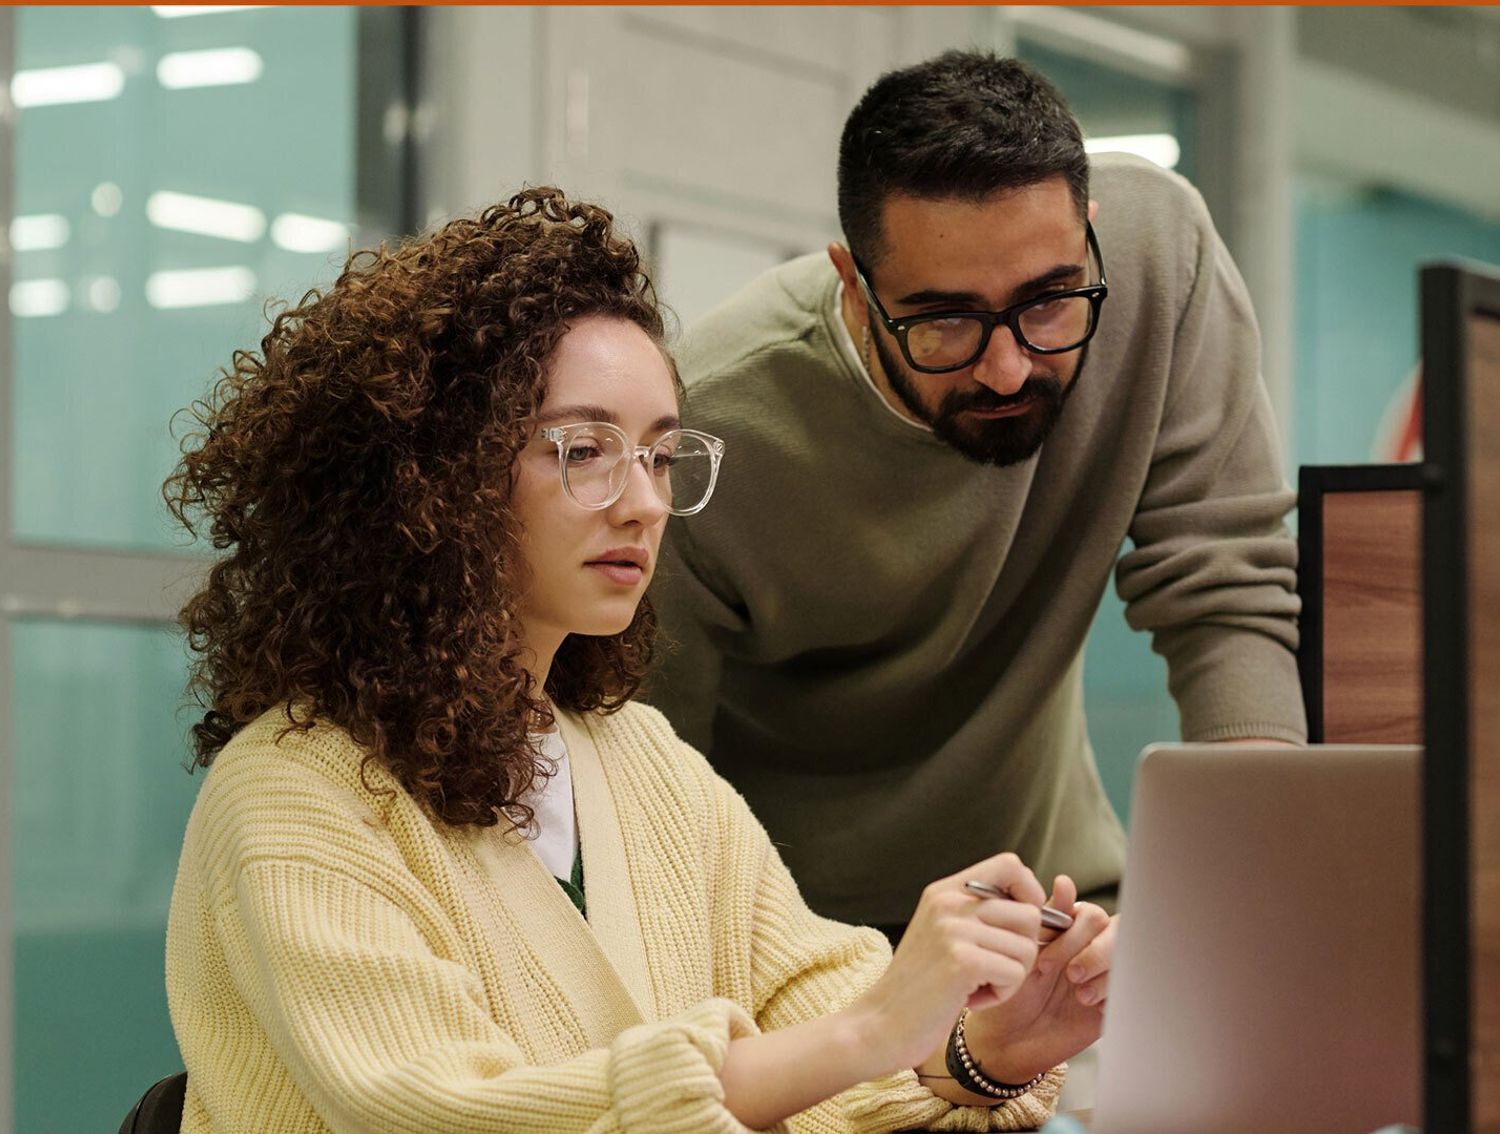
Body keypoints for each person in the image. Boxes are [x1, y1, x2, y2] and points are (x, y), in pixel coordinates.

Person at [160, 188, 1115, 1132]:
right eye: (584, 449)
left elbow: (820, 1035)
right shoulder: (292, 798)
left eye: (660, 457)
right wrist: (874, 1028)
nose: (644, 503)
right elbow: (453, 1117)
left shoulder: (641, 760)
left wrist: (982, 1048)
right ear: (432, 478)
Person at [647, 51, 1306, 935]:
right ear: (854, 283)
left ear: (1091, 235)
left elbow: (1226, 581)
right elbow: (641, 783)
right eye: (946, 320)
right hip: (807, 953)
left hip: (1055, 910)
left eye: (1049, 301)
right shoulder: (705, 440)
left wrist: (1261, 897)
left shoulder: (1160, 255)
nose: (1008, 369)